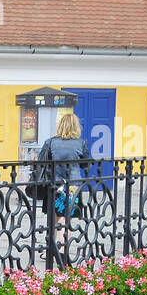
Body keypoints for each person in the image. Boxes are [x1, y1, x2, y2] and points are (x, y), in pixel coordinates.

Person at [35, 113, 90, 267]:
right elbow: (86, 164)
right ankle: (62, 246)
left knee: (52, 217)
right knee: (66, 217)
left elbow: (41, 161)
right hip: (72, 186)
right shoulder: (81, 143)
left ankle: (49, 249)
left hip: (53, 184)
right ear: (76, 126)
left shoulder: (50, 142)